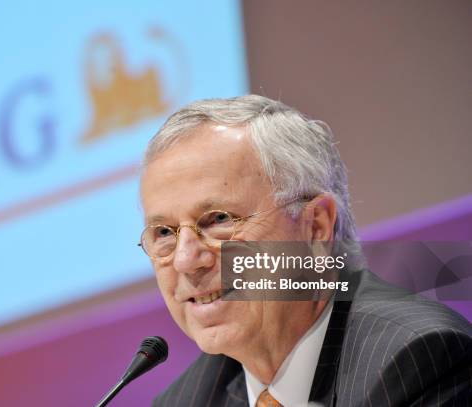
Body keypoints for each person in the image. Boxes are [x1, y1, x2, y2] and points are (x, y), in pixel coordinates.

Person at [138, 95, 471, 406]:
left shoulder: (416, 360)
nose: (185, 259)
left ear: (316, 227)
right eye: (164, 232)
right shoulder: (185, 400)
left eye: (218, 219)